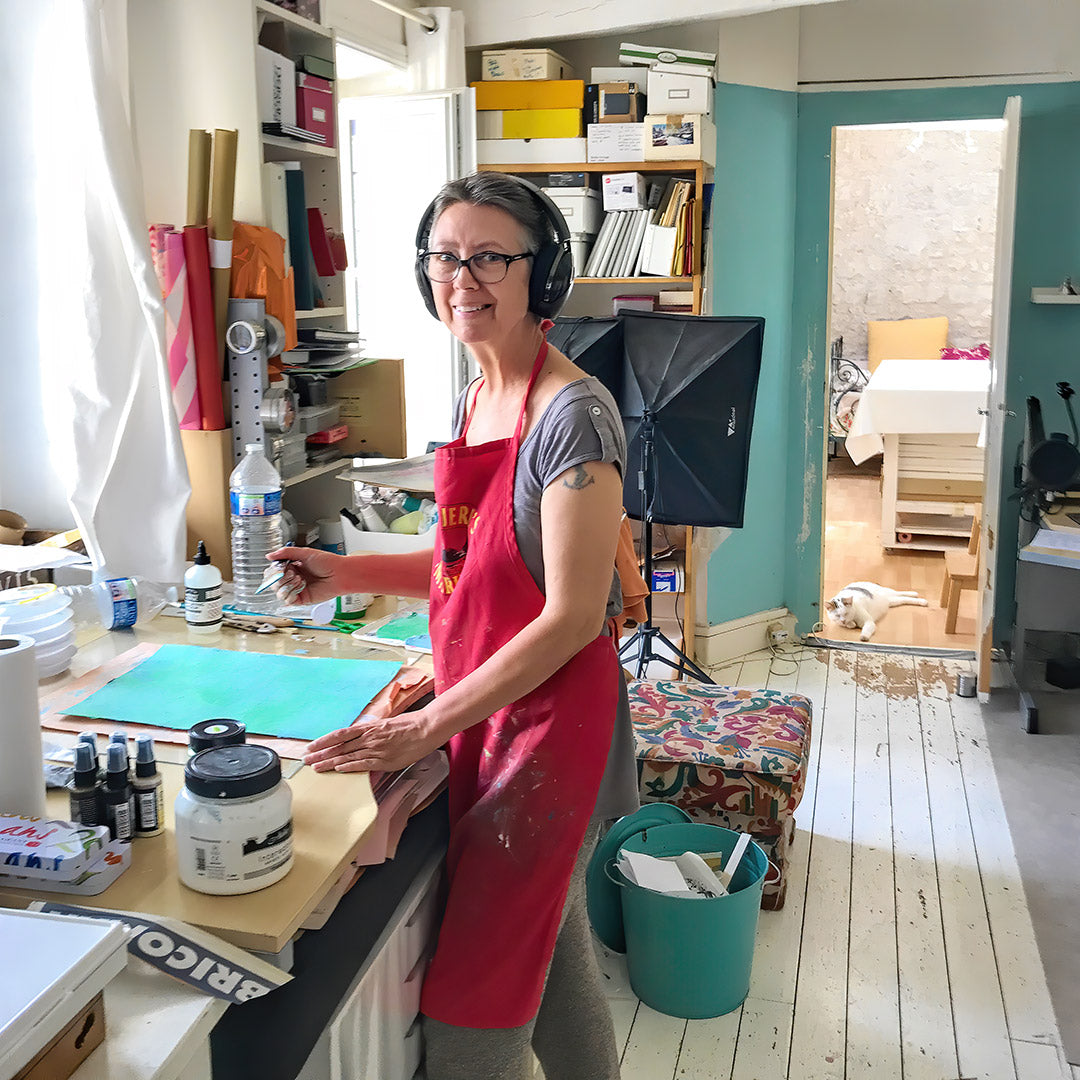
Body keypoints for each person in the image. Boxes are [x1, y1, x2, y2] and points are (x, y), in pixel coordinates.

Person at [267, 172, 639, 1080]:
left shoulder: (572, 419)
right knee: (548, 957)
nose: (460, 277)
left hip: (550, 737)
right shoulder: (478, 394)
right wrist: (345, 571)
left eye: (488, 257)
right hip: (485, 710)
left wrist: (422, 727)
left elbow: (570, 617)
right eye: (443, 256)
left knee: (476, 1008)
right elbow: (463, 566)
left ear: (540, 276)